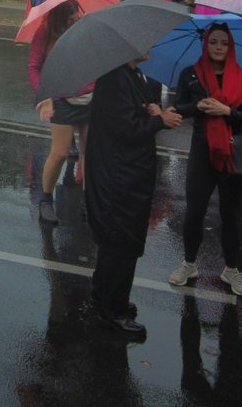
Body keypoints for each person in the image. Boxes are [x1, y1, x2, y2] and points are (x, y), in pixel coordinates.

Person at [85, 57, 183, 336]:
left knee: (115, 240)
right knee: (121, 241)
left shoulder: (131, 74)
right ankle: (112, 310)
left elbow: (129, 116)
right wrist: (159, 121)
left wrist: (150, 111)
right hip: (119, 178)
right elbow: (126, 130)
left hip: (127, 174)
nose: (150, 48)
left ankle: (103, 295)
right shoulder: (115, 78)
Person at [167, 24, 242, 297]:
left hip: (233, 153)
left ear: (231, 47)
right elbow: (180, 106)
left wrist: (227, 110)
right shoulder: (191, 74)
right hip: (202, 150)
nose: (218, 47)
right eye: (214, 42)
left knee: (231, 214)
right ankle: (189, 263)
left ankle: (231, 268)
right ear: (206, 44)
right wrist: (197, 106)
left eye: (224, 43)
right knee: (195, 211)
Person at [29, 0, 91, 225]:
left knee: (90, 152)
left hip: (90, 96)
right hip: (61, 98)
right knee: (61, 152)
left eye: (78, 11)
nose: (77, 16)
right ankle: (45, 200)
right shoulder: (45, 32)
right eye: (72, 13)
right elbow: (34, 67)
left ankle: (87, 201)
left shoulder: (85, 28)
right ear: (61, 15)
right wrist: (44, 97)